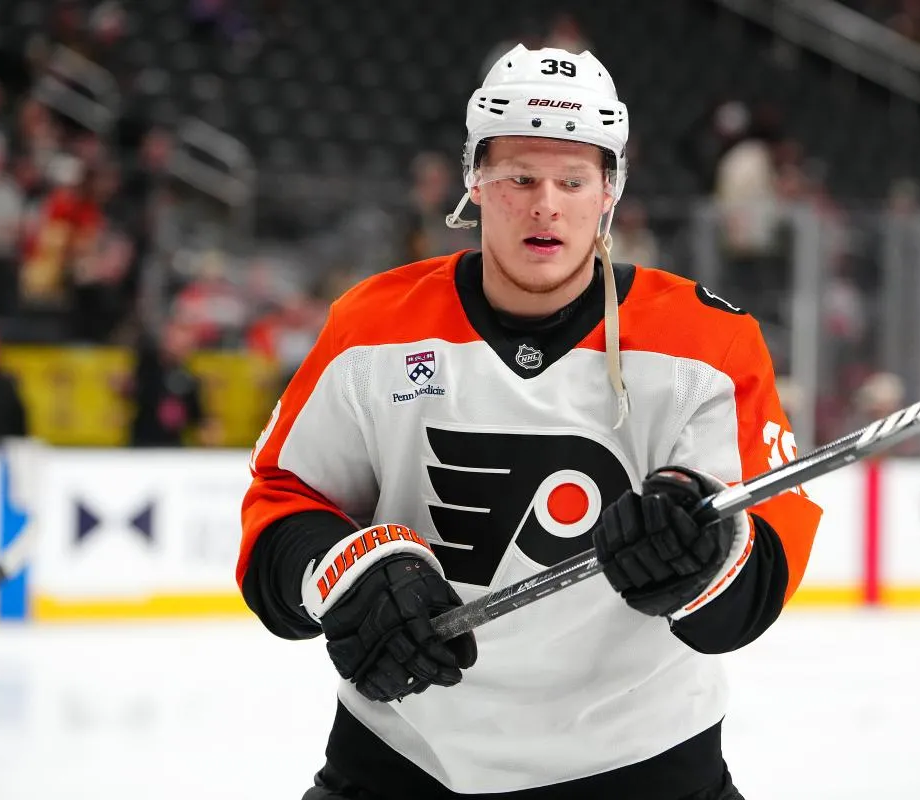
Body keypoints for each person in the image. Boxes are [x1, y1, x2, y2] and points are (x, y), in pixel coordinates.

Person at [237, 44, 824, 800]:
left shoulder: (706, 343)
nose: (546, 203)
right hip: (404, 762)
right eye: (519, 176)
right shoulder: (374, 326)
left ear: (609, 190)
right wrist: (347, 575)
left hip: (644, 767)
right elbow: (281, 507)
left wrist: (701, 556)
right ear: (474, 179)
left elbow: (756, 583)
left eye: (573, 180)